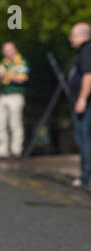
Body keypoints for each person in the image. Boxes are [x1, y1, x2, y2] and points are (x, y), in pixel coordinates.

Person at [0, 42, 29, 161]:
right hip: (3, 95)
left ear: (15, 49)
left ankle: (16, 151)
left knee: (15, 124)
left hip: (16, 95)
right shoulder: (3, 63)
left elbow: (22, 78)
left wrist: (6, 75)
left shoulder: (21, 61)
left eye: (9, 50)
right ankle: (2, 151)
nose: (7, 53)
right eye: (5, 51)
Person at [68, 22, 91, 188]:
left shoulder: (86, 51)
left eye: (73, 35)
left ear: (84, 36)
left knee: (84, 139)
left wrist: (82, 98)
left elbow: (88, 76)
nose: (70, 39)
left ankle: (86, 176)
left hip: (86, 105)